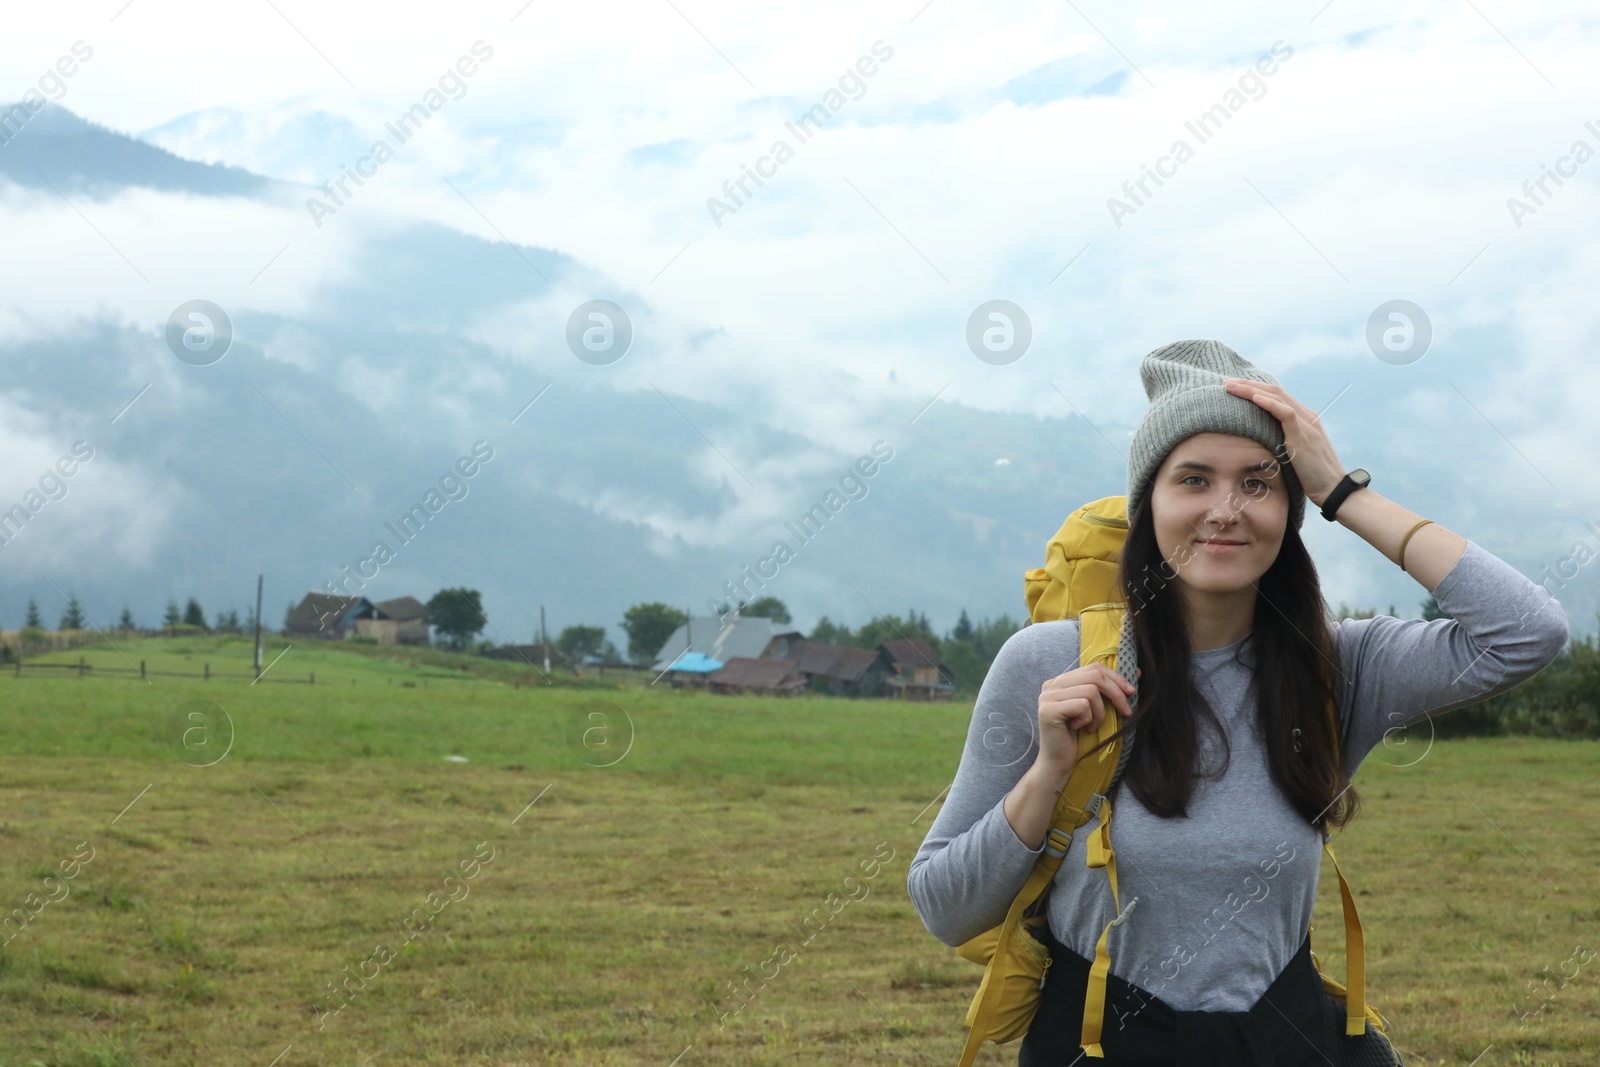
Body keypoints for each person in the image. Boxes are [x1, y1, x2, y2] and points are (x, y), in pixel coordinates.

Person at [907, 339, 1571, 1065]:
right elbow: (945, 907)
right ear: (1146, 504)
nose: (1225, 510)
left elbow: (1527, 632)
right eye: (1193, 480)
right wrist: (1044, 778)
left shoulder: (1337, 665)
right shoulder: (1047, 665)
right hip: (1101, 1042)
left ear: (1291, 507)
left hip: (1282, 1039)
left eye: (1258, 483)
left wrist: (1342, 493)